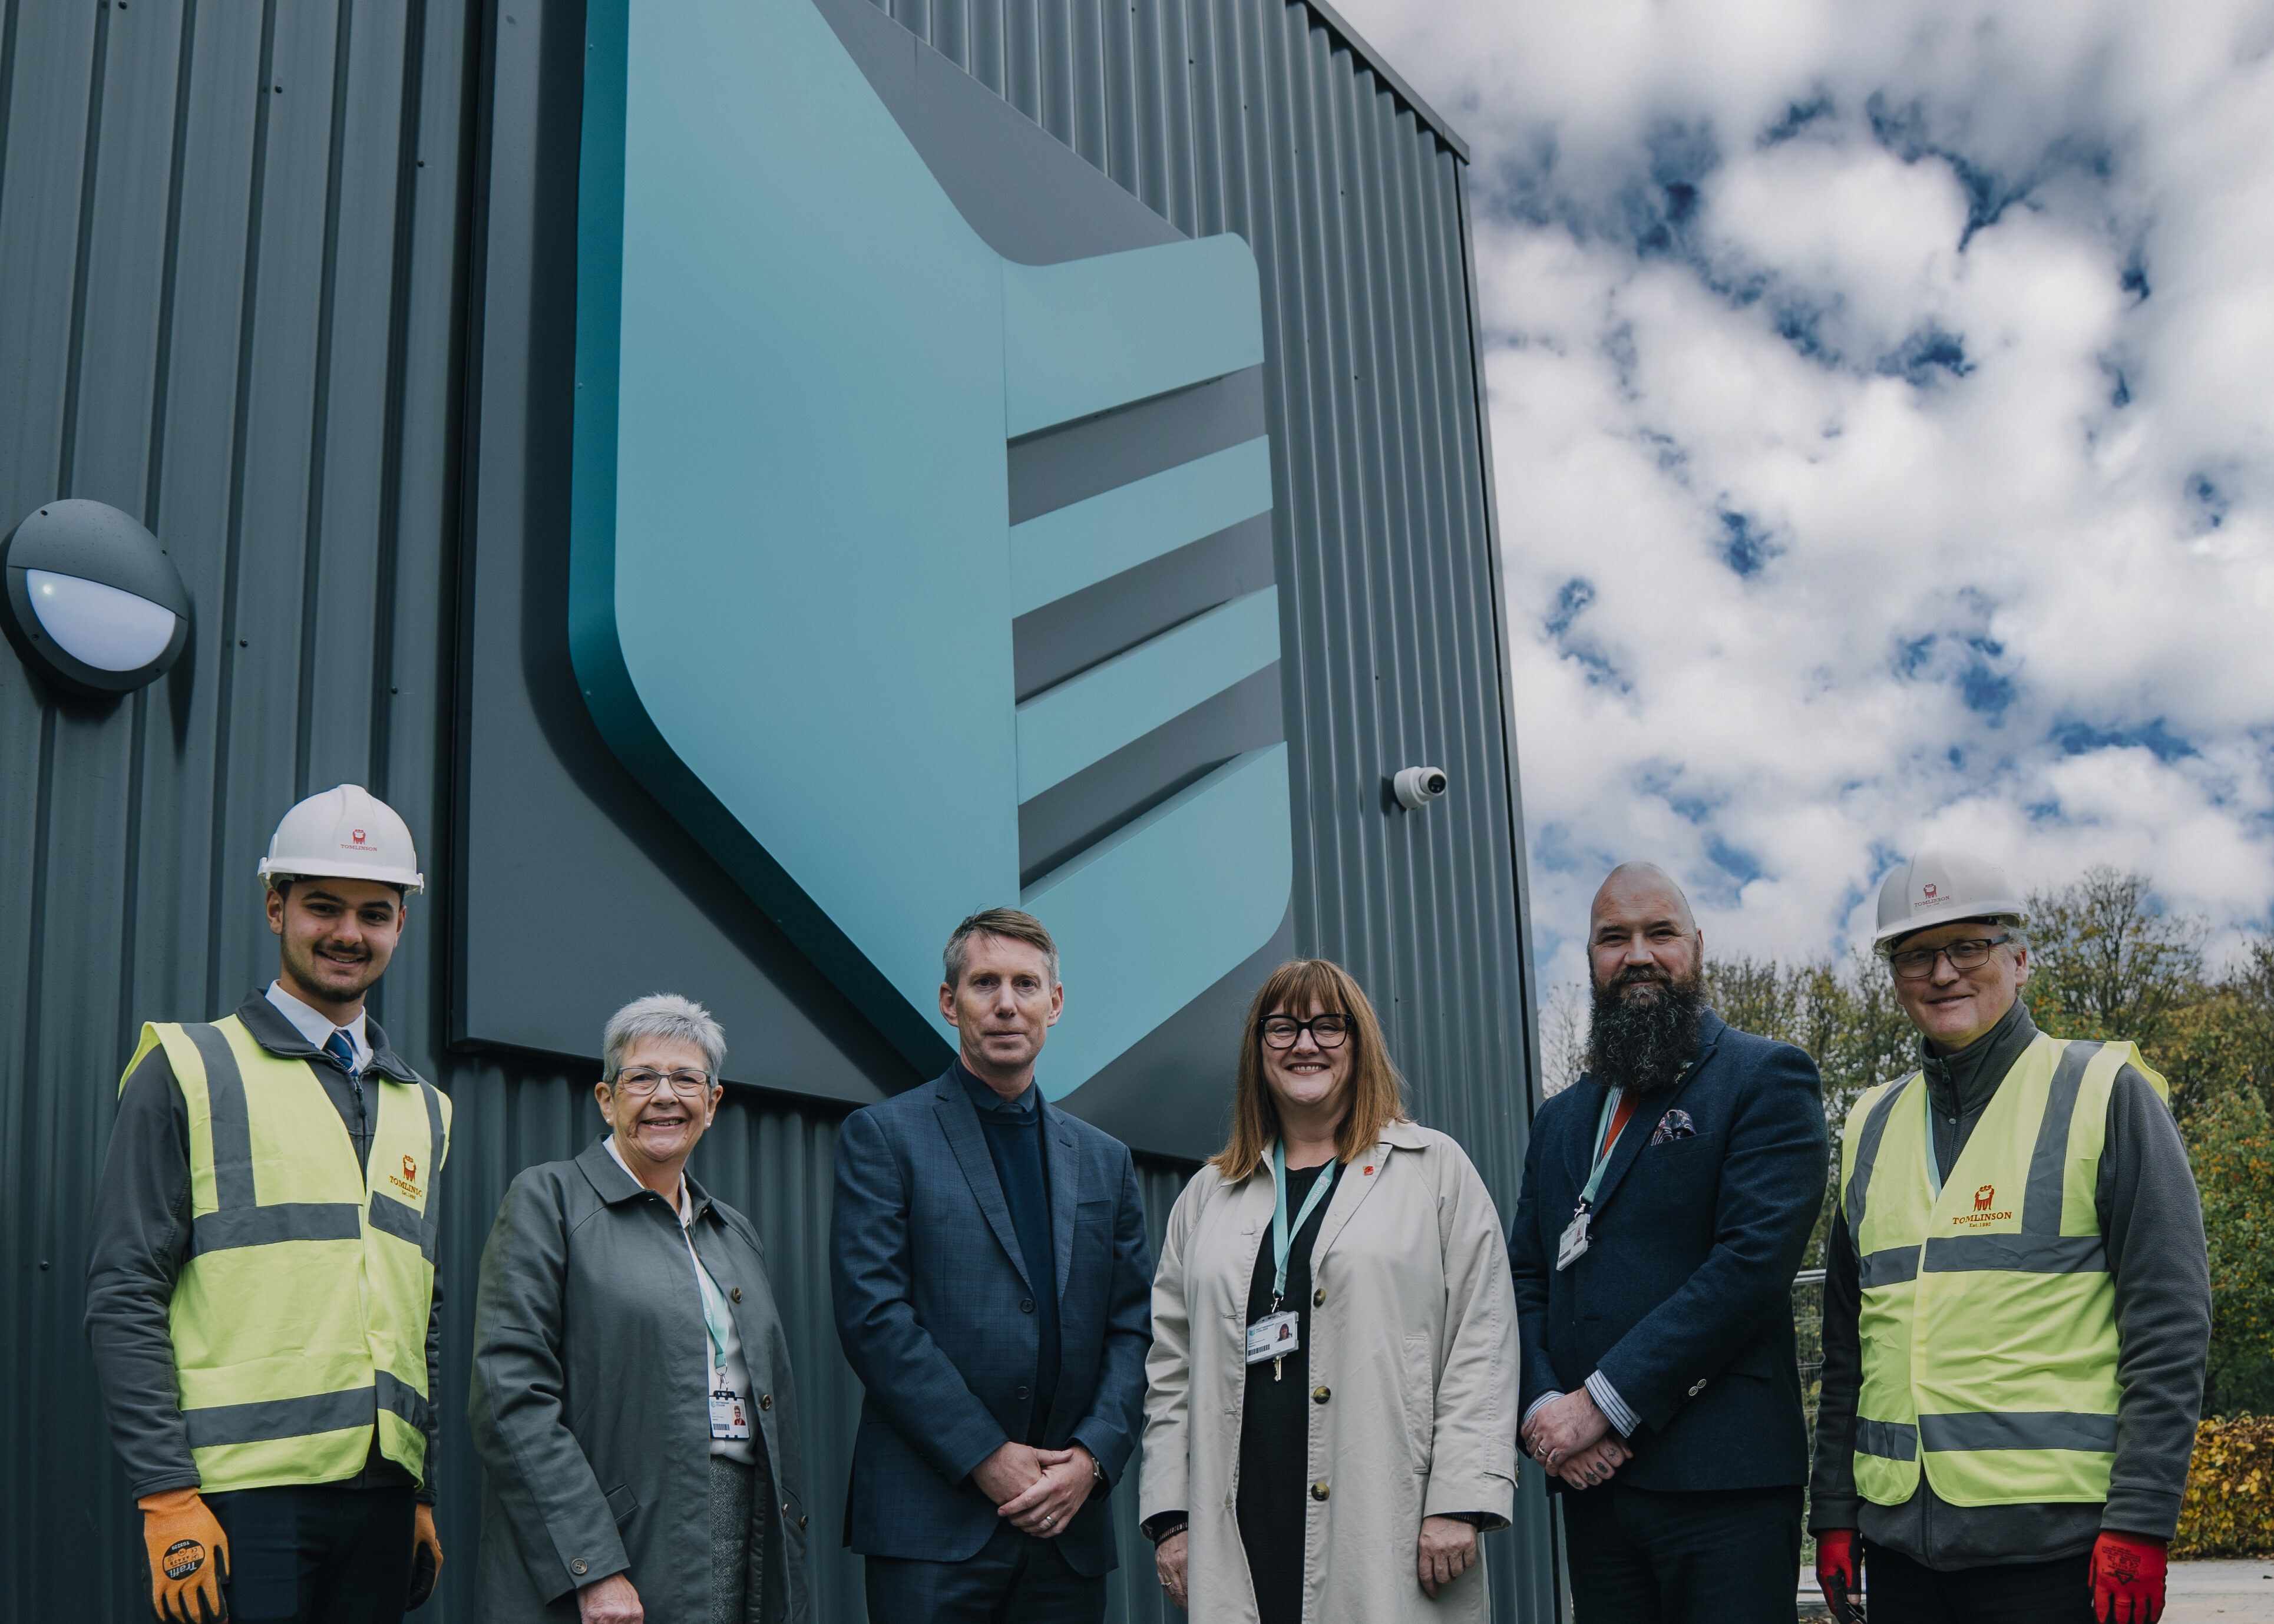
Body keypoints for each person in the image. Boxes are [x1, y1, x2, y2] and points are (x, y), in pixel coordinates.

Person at [1809, 847, 2210, 1624]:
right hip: (1900, 1554)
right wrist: (1832, 1508)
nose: (1943, 972)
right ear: (1895, 977)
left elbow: (2169, 1326)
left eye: (1968, 946)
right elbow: (1848, 1347)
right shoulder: (1870, 1124)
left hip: (2060, 1555)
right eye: (1917, 954)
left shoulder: (2105, 1094)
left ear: (2021, 959)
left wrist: (2141, 1521)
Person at [85, 785, 451, 1624]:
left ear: (401, 924)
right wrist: (167, 1496)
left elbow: (416, 1312)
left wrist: (421, 1486)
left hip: (381, 1500)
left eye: (375, 912)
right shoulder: (187, 1066)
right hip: (236, 1499)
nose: (348, 933)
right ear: (274, 907)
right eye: (323, 906)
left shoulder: (424, 1107)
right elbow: (124, 1291)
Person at [1140, 958, 1519, 1624]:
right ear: (1258, 1050)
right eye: (1282, 1028)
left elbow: (1481, 1336)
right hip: (1241, 1521)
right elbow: (1168, 1367)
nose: (1305, 1044)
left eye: (1326, 1027)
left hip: (1386, 1518)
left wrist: (1460, 1497)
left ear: (1358, 1042)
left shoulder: (1433, 1171)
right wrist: (1171, 1519)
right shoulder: (1207, 1196)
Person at [1509, 861, 1828, 1622]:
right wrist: (1549, 1408)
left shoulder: (1766, 1078)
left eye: (1661, 933)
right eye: (1613, 938)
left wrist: (1605, 1405)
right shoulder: (1560, 1119)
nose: (1638, 954)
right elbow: (1524, 1278)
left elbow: (1749, 1266)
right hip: (1593, 1488)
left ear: (1698, 948)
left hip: (1725, 1488)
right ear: (1591, 958)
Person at [830, 908, 1152, 1622]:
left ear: (1054, 1004)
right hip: (931, 1526)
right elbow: (873, 1318)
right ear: (950, 1003)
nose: (1006, 1003)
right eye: (984, 984)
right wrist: (986, 1455)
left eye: (1025, 985)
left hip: (1066, 1526)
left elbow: (1133, 1331)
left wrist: (1092, 1460)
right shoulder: (884, 1137)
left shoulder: (1104, 1160)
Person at [468, 993, 808, 1623]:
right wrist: (593, 1564)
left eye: (686, 1079)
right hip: (621, 1544)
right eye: (642, 1077)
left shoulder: (734, 1232)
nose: (664, 1096)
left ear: (713, 1102)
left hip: (740, 1535)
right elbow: (509, 1399)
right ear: (605, 1098)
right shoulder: (549, 1201)